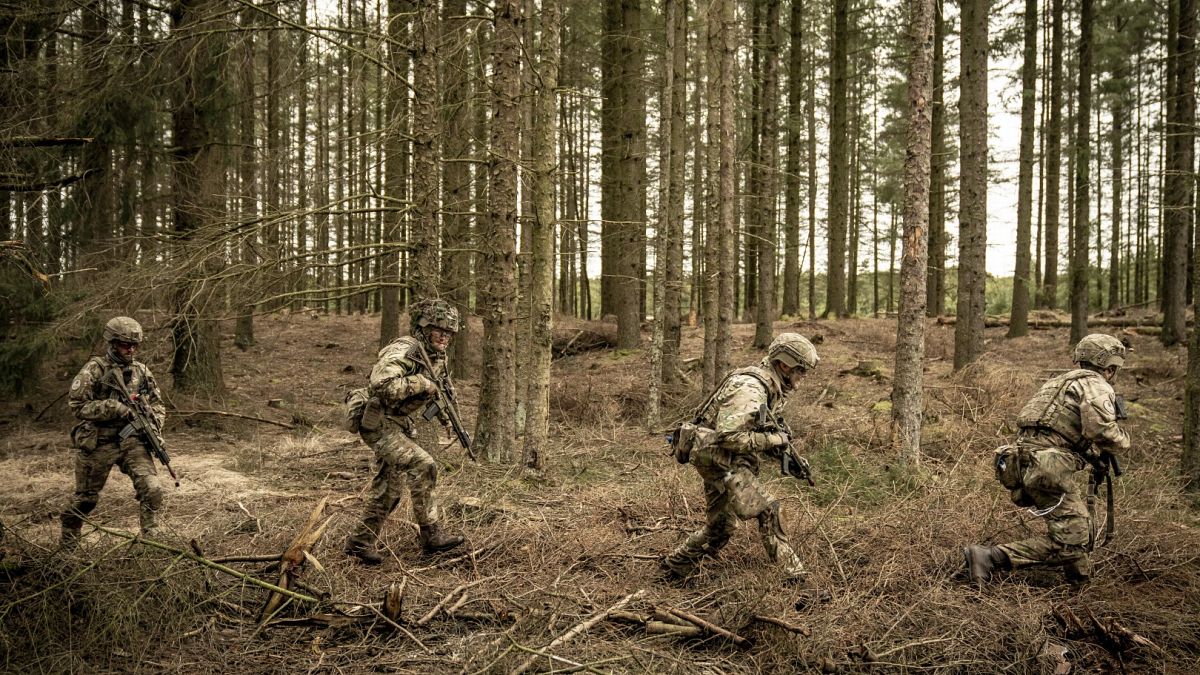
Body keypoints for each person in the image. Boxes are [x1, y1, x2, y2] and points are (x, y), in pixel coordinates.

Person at [964, 333, 1131, 586]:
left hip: (1023, 463)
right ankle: (991, 557)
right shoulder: (1096, 385)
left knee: (1074, 525)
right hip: (1046, 466)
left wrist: (1091, 457)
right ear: (1109, 366)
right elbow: (1100, 430)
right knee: (1074, 541)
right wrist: (1123, 440)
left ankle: (1081, 584)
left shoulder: (1058, 383)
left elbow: (1054, 430)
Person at [661, 332, 818, 582]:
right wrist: (775, 440)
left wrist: (783, 451)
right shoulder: (750, 388)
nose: (803, 377)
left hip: (715, 457)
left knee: (720, 529)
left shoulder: (768, 386)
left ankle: (674, 567)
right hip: (720, 458)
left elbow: (754, 429)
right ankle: (799, 582)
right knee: (769, 512)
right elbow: (729, 437)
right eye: (801, 370)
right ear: (785, 364)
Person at [344, 299, 466, 565]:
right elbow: (381, 383)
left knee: (389, 489)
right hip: (377, 422)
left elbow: (440, 390)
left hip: (397, 422)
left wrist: (445, 414)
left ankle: (359, 544)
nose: (444, 336)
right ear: (423, 327)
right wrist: (421, 383)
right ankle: (431, 535)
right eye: (439, 330)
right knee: (423, 464)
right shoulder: (405, 349)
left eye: (449, 332)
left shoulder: (436, 356)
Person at [61, 316, 167, 547]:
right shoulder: (94, 370)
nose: (130, 349)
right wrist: (114, 407)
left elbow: (158, 404)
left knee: (153, 490)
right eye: (124, 344)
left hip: (132, 441)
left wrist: (153, 424)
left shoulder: (142, 371)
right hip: (99, 441)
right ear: (111, 343)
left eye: (134, 345)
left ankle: (153, 542)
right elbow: (77, 406)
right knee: (85, 500)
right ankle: (67, 544)